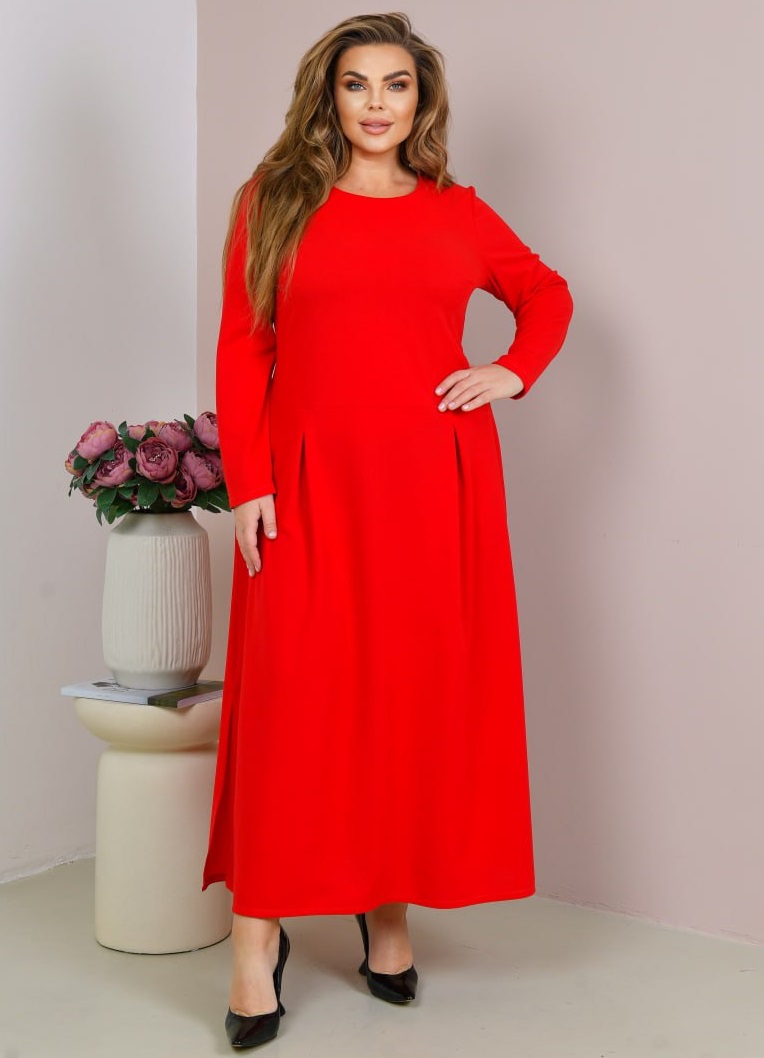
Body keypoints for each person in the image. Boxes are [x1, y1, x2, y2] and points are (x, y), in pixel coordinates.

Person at [202, 10, 573, 1050]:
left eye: (395, 84)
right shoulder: (275, 199)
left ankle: (387, 911)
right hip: (305, 483)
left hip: (431, 487)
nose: (376, 103)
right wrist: (247, 481)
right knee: (295, 705)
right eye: (357, 83)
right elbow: (242, 345)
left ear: (420, 101)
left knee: (402, 696)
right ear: (328, 96)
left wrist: (511, 371)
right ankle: (255, 936)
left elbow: (545, 296)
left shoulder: (457, 210)